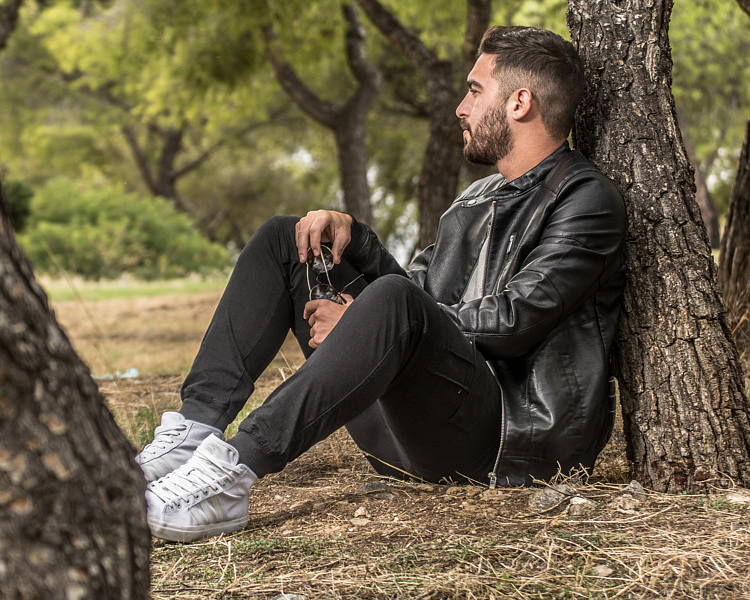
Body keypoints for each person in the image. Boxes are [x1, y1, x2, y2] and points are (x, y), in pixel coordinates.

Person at [137, 25, 627, 543]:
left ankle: (232, 474)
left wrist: (359, 319)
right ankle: (192, 434)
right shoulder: (477, 199)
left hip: (503, 443)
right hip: (409, 430)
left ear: (520, 102)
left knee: (391, 300)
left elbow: (516, 321)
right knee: (289, 239)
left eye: (475, 90)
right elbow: (421, 302)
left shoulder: (585, 199)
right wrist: (359, 243)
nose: (461, 107)